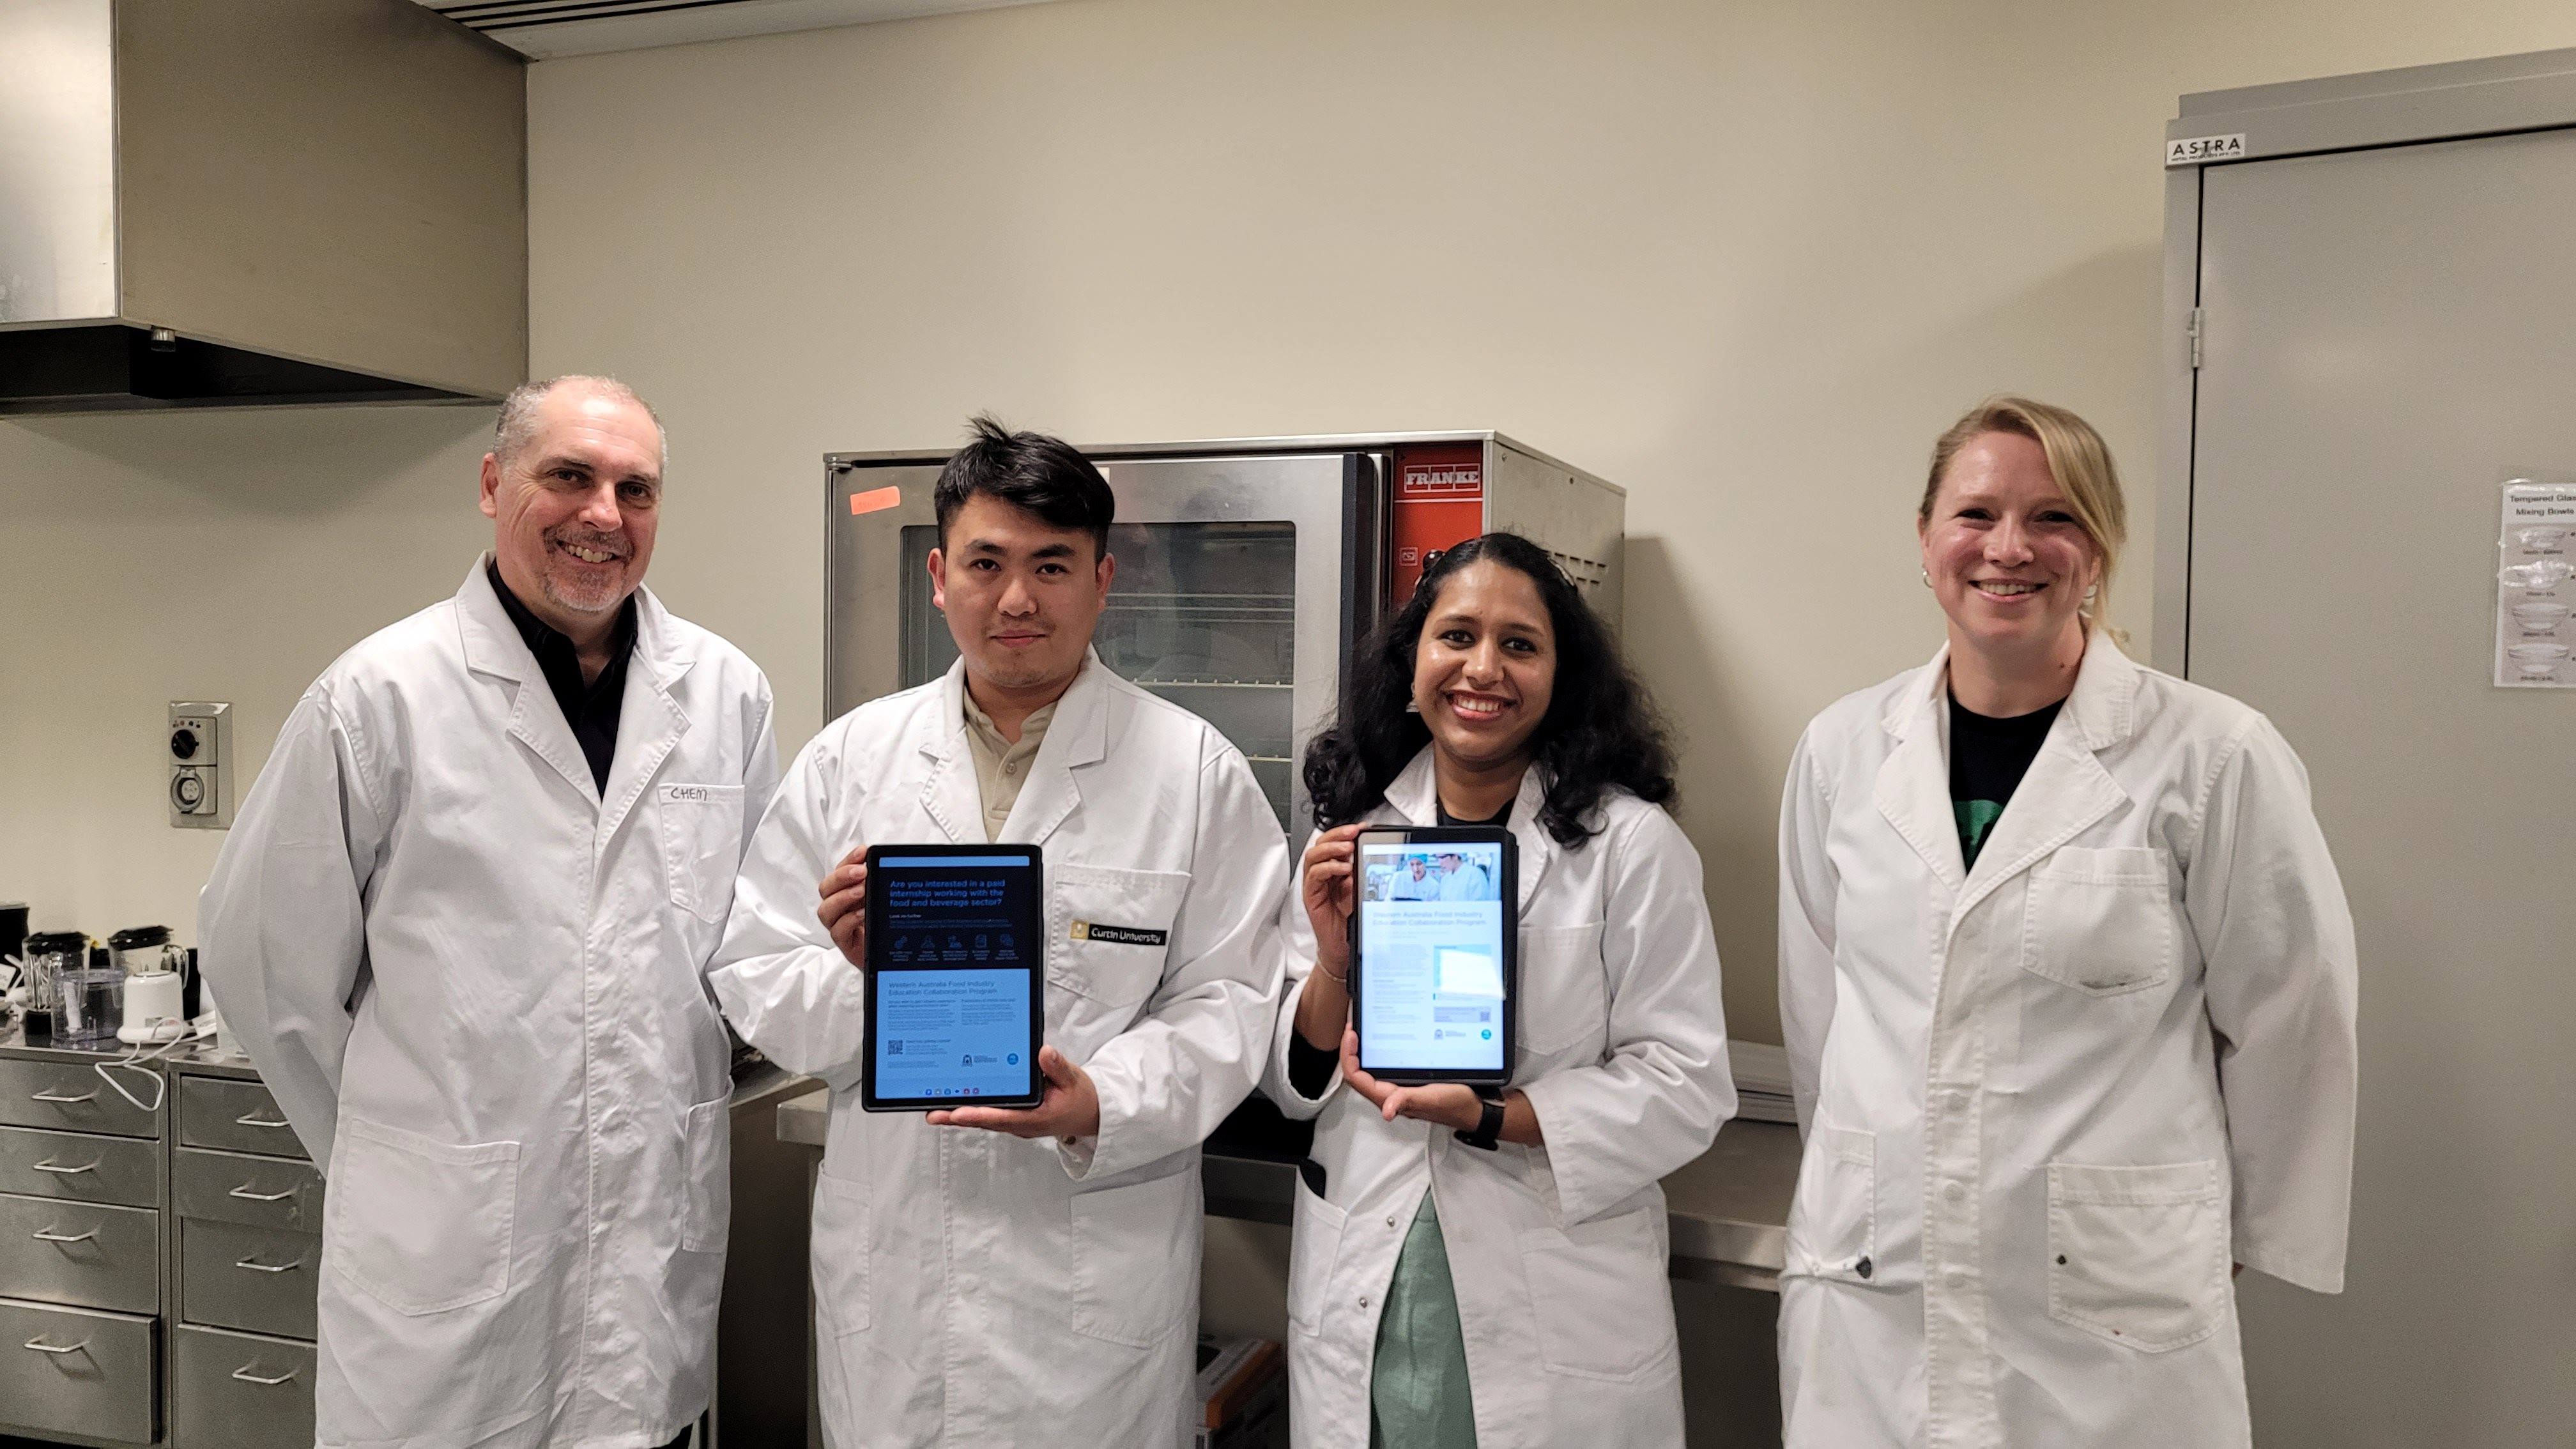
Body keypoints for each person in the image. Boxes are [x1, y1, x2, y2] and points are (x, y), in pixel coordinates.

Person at [198, 376, 779, 1449]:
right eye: (569, 476)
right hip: (442, 1260)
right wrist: (407, 1154)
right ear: (490, 484)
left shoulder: (727, 695)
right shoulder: (381, 696)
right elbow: (265, 969)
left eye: (636, 489)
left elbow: (745, 952)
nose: (603, 515)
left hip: (649, 1251)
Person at [1775, 397, 2359, 1446]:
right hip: (1876, 1285)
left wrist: (2198, 1239)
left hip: (2108, 1320)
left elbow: (2292, 1019)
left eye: (2055, 517)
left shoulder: (2211, 754)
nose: (2010, 548)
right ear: (1924, 540)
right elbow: (1823, 1009)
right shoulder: (1841, 751)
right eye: (1976, 513)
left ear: (2098, 552)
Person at [707, 417, 1290, 1447]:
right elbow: (754, 967)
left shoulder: (1195, 775)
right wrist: (874, 984)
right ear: (939, 575)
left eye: (1052, 565)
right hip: (896, 1281)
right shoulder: (853, 761)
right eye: (987, 563)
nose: (1017, 598)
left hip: (1088, 1292)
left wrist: (1098, 1098)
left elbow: (1233, 1001)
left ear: (1104, 581)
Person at [1266, 532, 1734, 1448]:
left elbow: (1687, 1083)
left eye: (1520, 644)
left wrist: (1492, 1115)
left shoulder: (1630, 848)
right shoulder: (1359, 835)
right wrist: (1331, 960)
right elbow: (1293, 1077)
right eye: (1457, 637)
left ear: (1561, 678)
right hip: (1374, 1260)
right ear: (1413, 666)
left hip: (1552, 1280)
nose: (1484, 668)